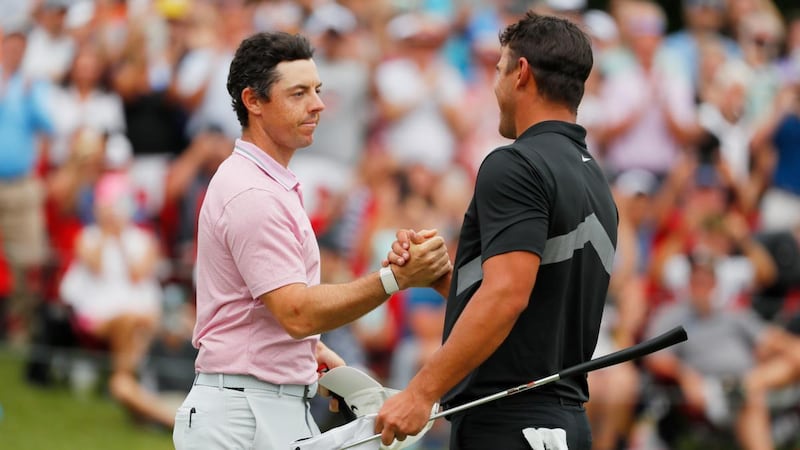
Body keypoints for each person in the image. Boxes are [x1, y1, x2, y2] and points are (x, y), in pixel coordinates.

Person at [171, 31, 452, 450]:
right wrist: (395, 279)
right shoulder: (254, 192)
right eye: (299, 93)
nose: (318, 104)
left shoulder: (269, 183)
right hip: (242, 416)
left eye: (317, 90)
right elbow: (296, 312)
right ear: (253, 102)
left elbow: (267, 311)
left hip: (262, 407)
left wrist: (311, 353)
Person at [376, 12, 618, 450]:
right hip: (563, 425)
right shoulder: (594, 178)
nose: (495, 85)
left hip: (510, 426)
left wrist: (420, 392)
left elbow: (507, 297)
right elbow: (533, 304)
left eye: (498, 68)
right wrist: (446, 279)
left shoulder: (515, 163)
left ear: (521, 73)